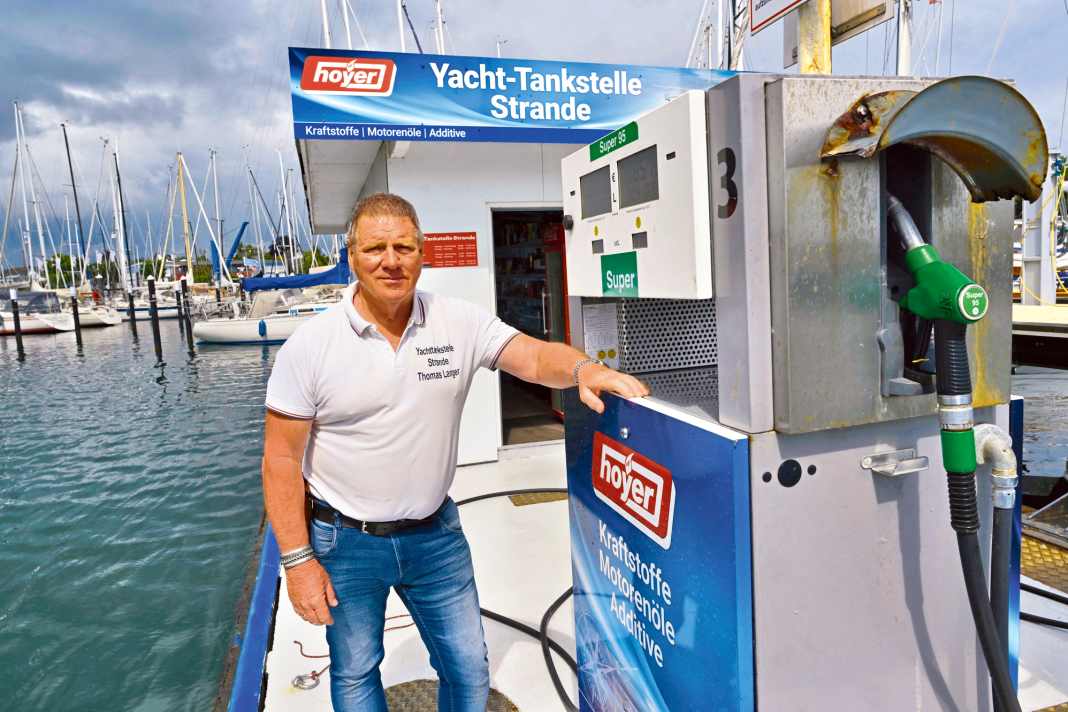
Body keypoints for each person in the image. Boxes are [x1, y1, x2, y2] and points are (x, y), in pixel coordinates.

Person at [261, 192, 649, 712]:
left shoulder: (458, 322)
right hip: (346, 541)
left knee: (467, 670)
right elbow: (281, 461)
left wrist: (584, 369)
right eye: (375, 248)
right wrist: (298, 561)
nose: (391, 261)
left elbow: (534, 357)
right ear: (351, 256)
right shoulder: (310, 346)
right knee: (355, 671)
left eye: (404, 247)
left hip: (435, 536)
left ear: (423, 254)